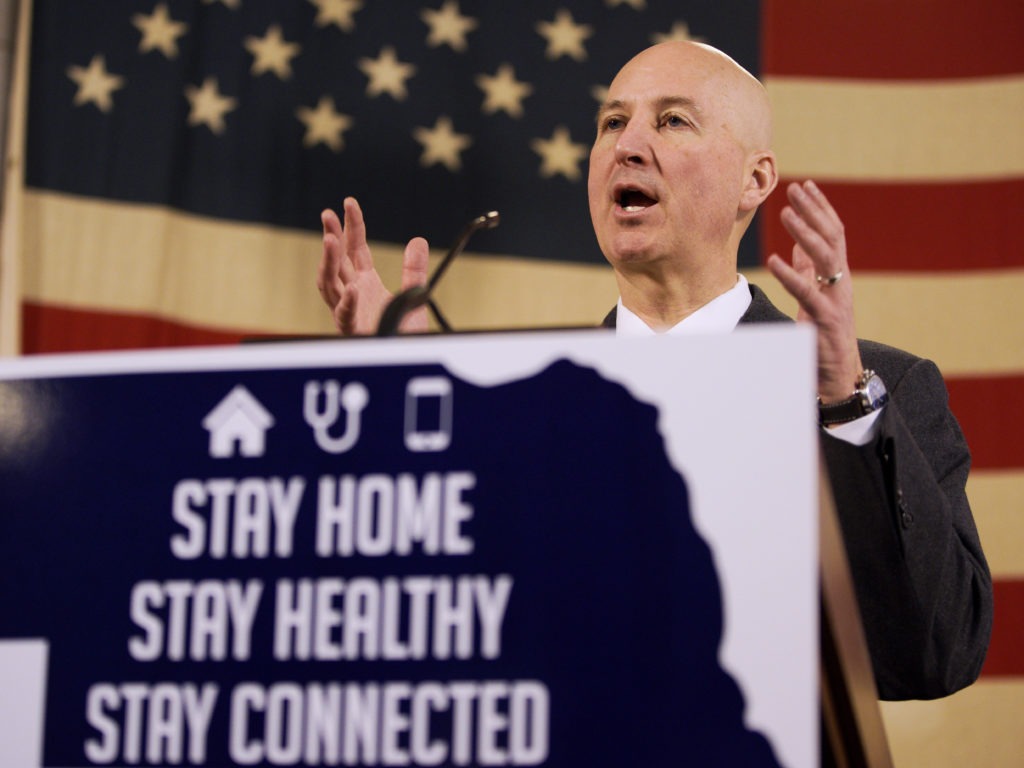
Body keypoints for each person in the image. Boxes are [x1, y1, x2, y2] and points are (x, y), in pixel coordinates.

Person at [316, 40, 992, 701]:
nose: (627, 145)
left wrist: (844, 402)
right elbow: (412, 621)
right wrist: (398, 401)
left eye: (672, 120)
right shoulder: (517, 411)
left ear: (754, 180)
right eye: (613, 122)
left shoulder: (875, 392)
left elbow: (935, 652)